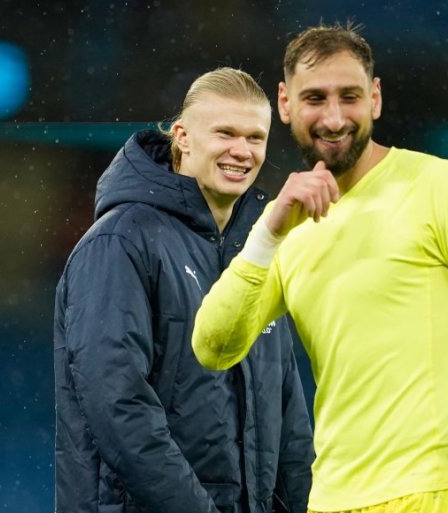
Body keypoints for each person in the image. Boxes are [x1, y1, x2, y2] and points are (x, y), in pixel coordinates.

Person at [192, 25, 448, 513]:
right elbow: (213, 347)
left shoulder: (442, 188)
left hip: (432, 494)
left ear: (375, 98)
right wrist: (267, 233)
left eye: (350, 97)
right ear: (285, 103)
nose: (334, 117)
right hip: (328, 501)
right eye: (315, 98)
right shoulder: (286, 224)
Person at [53, 67, 314, 513]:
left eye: (255, 137)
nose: (242, 151)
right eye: (225, 133)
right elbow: (117, 404)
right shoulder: (120, 241)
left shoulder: (257, 254)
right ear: (183, 137)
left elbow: (288, 420)